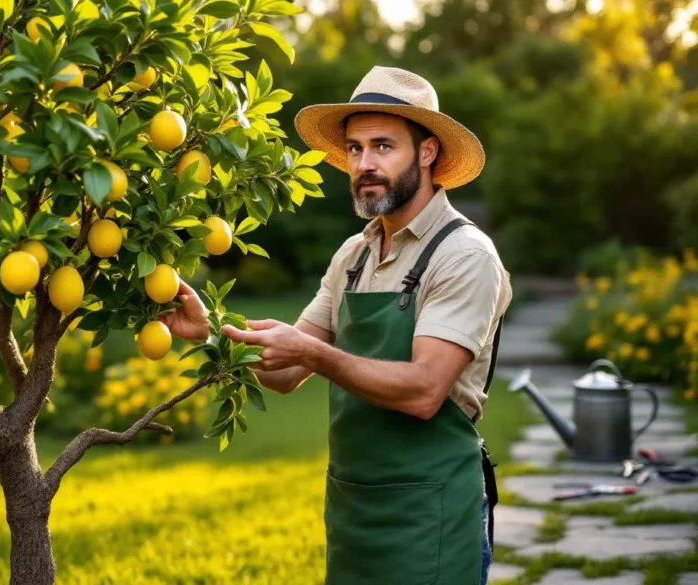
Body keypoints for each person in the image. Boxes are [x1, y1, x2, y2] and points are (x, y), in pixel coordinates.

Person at [160, 66, 513, 585]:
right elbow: (285, 373)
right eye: (354, 148)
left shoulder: (464, 255)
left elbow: (424, 391)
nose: (364, 164)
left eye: (383, 146)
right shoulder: (354, 255)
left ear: (427, 152)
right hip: (353, 510)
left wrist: (314, 355)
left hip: (432, 515)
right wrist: (211, 330)